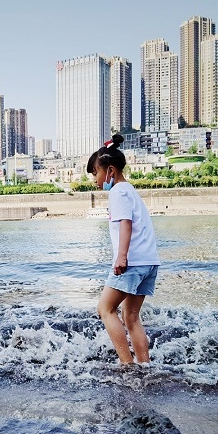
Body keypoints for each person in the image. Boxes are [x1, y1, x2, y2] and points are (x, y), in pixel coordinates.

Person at [87, 135, 160, 366]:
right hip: (149, 262)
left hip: (132, 262)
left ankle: (127, 365)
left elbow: (126, 224)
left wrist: (121, 256)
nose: (96, 181)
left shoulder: (117, 192)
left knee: (105, 309)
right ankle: (144, 365)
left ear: (110, 170)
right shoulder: (130, 190)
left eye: (95, 174)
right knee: (131, 317)